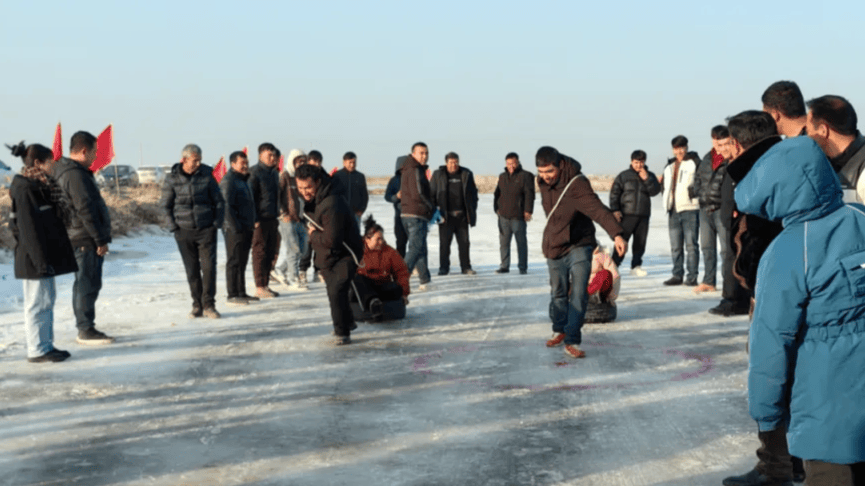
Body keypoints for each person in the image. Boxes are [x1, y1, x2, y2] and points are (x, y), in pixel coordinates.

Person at [735, 135, 865, 486]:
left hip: (827, 413)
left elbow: (770, 342)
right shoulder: (860, 216)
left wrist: (766, 414)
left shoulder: (788, 251)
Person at [721, 110, 795, 486]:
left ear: (736, 144)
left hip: (774, 293)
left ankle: (775, 467)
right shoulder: (792, 165)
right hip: (797, 288)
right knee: (795, 377)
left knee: (771, 377)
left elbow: (761, 238)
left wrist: (747, 272)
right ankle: (794, 460)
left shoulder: (759, 178)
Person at [536, 146, 626, 359]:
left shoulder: (576, 184)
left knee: (578, 292)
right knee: (558, 292)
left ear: (559, 165)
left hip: (580, 245)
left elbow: (597, 209)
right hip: (555, 245)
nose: (545, 177)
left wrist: (617, 234)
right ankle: (559, 329)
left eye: (549, 171)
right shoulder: (542, 182)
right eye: (541, 172)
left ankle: (572, 339)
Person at [8, 142, 77, 362]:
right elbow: (28, 229)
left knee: (47, 301)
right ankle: (36, 349)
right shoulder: (26, 188)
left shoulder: (41, 185)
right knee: (37, 303)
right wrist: (40, 261)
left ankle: (46, 345)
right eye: (50, 162)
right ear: (38, 163)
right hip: (34, 258)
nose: (53, 167)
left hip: (44, 255)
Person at [51, 131, 115, 345]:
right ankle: (85, 329)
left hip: (82, 236)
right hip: (84, 238)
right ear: (84, 150)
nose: (96, 157)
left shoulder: (73, 171)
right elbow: (85, 208)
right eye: (95, 152)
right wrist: (99, 239)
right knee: (86, 283)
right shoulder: (75, 174)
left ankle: (86, 326)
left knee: (87, 282)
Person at [296, 164, 364, 345]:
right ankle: (348, 322)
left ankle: (342, 332)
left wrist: (312, 235)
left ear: (318, 182)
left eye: (308, 187)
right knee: (334, 291)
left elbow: (332, 239)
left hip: (346, 252)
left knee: (337, 290)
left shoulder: (331, 202)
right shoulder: (317, 198)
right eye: (301, 188)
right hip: (329, 254)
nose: (305, 192)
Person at [160, 144, 225, 318]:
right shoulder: (172, 179)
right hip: (184, 231)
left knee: (209, 268)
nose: (197, 164)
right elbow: (165, 205)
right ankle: (197, 305)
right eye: (194, 161)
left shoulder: (207, 176)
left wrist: (216, 223)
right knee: (192, 270)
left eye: (199, 160)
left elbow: (218, 201)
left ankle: (209, 305)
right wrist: (173, 227)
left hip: (206, 229)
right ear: (184, 160)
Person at [692, 126, 733, 294]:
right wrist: (696, 192)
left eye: (722, 141)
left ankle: (729, 284)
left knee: (726, 250)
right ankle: (709, 281)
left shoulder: (731, 159)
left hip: (722, 209)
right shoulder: (707, 158)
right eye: (715, 139)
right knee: (707, 248)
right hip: (705, 209)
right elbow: (698, 178)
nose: (718, 144)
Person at [608, 149, 660, 276]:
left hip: (643, 215)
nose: (639, 165)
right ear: (631, 162)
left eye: (641, 162)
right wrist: (615, 210)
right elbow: (614, 193)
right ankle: (614, 265)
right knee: (622, 241)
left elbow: (655, 192)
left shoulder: (650, 175)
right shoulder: (624, 176)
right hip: (627, 214)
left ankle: (636, 266)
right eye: (636, 162)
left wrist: (646, 179)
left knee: (640, 242)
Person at [806, 95, 865, 204]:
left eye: (808, 131)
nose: (807, 137)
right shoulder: (822, 165)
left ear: (823, 131)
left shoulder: (862, 169)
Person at [351, 215, 410, 320]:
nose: (381, 242)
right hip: (364, 288)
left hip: (382, 286)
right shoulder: (357, 250)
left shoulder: (389, 252)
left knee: (396, 288)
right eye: (377, 239)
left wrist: (404, 293)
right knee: (356, 280)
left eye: (382, 238)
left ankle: (377, 303)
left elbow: (401, 272)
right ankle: (373, 302)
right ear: (367, 239)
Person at [660, 135, 700, 286]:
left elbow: (701, 181)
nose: (680, 151)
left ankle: (692, 277)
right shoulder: (669, 166)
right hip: (673, 210)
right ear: (673, 149)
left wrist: (693, 193)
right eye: (677, 148)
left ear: (687, 147)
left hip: (690, 209)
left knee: (691, 245)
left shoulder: (694, 162)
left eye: (682, 147)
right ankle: (677, 275)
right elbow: (664, 186)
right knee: (676, 247)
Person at [430, 152, 479, 275]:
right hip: (445, 216)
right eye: (451, 162)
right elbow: (431, 196)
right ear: (446, 162)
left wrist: (472, 209)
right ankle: (444, 268)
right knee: (444, 244)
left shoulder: (466, 174)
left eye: (456, 162)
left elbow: (473, 194)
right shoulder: (438, 175)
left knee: (464, 244)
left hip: (462, 216)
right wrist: (436, 214)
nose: (454, 165)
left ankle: (466, 267)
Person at [220, 150, 257, 306]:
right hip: (234, 229)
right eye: (242, 163)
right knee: (234, 261)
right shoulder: (228, 181)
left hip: (246, 227)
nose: (245, 166)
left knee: (242, 261)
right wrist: (234, 227)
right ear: (233, 164)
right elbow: (226, 207)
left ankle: (241, 291)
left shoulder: (243, 180)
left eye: (247, 163)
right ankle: (232, 293)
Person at [400, 142, 435, 290]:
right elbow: (419, 193)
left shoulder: (408, 168)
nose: (424, 156)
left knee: (420, 248)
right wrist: (431, 207)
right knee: (415, 249)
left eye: (426, 153)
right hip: (416, 214)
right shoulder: (415, 169)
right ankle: (399, 280)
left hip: (408, 214)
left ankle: (425, 280)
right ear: (413, 153)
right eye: (421, 153)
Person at [248, 142, 281, 298]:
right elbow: (250, 199)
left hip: (272, 218)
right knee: (259, 252)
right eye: (269, 155)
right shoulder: (254, 173)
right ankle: (259, 286)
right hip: (259, 220)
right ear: (261, 155)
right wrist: (254, 219)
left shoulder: (274, 173)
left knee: (270, 251)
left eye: (274, 155)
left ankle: (266, 284)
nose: (272, 158)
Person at [273, 149, 309, 290]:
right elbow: (277, 196)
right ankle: (293, 279)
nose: (301, 164)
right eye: (298, 161)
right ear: (292, 161)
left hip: (299, 218)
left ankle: (280, 270)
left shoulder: (300, 177)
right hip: (286, 219)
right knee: (293, 249)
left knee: (303, 248)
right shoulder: (285, 176)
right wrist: (282, 213)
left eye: (303, 161)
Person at [493, 152, 535, 274]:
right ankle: (504, 266)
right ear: (506, 163)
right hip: (503, 216)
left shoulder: (525, 176)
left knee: (521, 243)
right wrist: (496, 208)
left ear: (518, 162)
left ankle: (522, 267)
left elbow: (529, 195)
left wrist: (528, 211)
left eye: (513, 163)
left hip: (518, 216)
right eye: (509, 163)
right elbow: (497, 194)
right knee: (504, 244)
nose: (511, 166)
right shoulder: (502, 176)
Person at [332, 151, 369, 226]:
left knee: (355, 236)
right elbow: (332, 194)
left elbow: (364, 195)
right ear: (344, 162)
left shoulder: (360, 176)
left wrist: (362, 210)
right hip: (340, 213)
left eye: (354, 162)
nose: (352, 165)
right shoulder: (337, 176)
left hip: (356, 214)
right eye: (350, 162)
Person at [384, 156, 408, 257]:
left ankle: (414, 266)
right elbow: (387, 196)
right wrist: (396, 197)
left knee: (415, 244)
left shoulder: (414, 178)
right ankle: (400, 265)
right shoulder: (394, 180)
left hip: (413, 215)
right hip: (399, 216)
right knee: (401, 242)